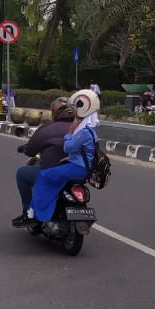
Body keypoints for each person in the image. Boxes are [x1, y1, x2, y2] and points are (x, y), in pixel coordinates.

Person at [26, 90, 98, 224]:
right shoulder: (89, 130)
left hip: (76, 168)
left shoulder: (49, 128)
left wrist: (69, 134)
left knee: (35, 176)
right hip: (84, 170)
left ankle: (32, 213)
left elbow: (68, 147)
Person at [11, 98, 76, 226]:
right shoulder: (82, 128)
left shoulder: (47, 129)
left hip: (53, 173)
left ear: (55, 113)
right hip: (78, 175)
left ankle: (28, 213)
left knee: (22, 173)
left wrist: (25, 149)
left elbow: (30, 150)